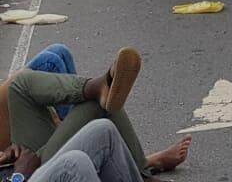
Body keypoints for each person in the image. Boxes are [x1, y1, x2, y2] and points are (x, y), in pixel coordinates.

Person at [0, 47, 190, 178]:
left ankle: (98, 87)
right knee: (98, 109)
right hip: (27, 175)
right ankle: (140, 171)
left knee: (21, 85)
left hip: (17, 168)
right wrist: (19, 176)